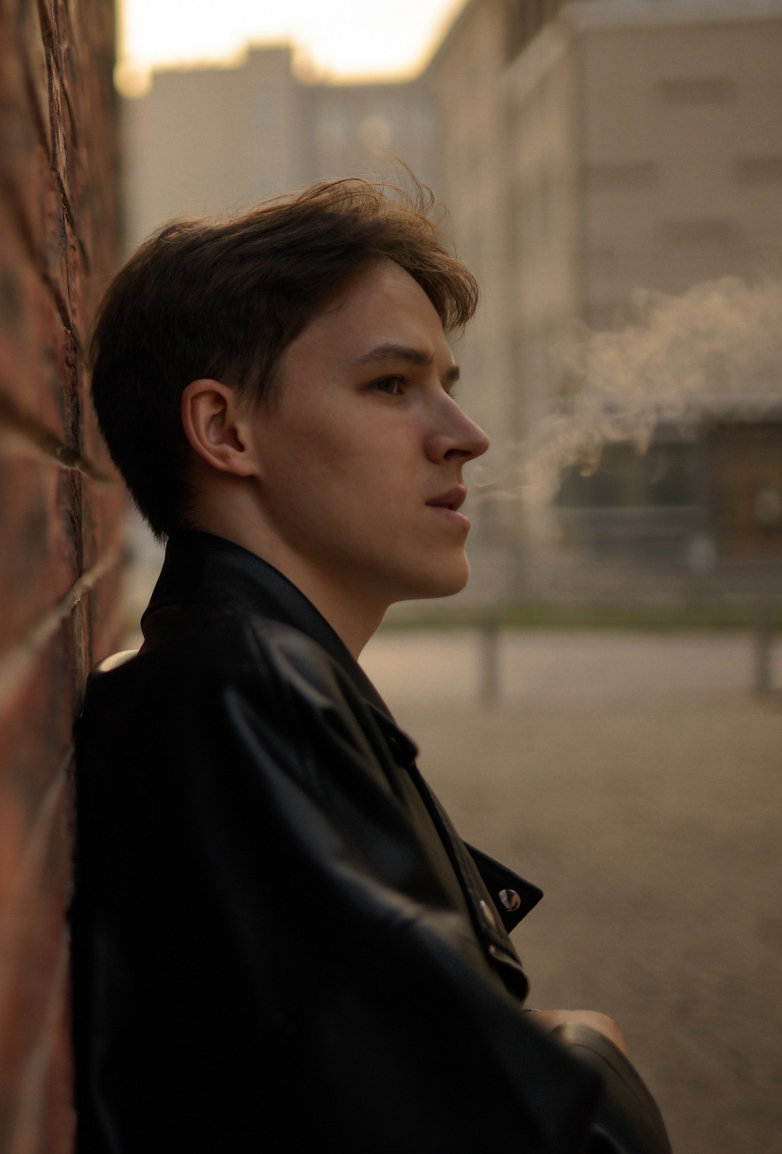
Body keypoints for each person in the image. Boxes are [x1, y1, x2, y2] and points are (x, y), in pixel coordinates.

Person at [71, 180, 670, 1154]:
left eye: (448, 383)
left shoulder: (238, 673)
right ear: (224, 430)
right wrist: (587, 1043)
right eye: (392, 385)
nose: (465, 436)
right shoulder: (247, 693)